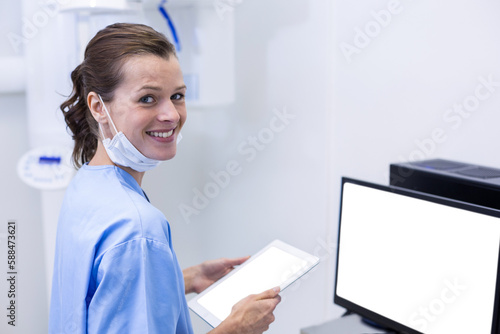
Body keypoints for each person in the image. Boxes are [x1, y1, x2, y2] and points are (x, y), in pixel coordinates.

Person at [49, 23, 281, 334]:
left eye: (177, 96)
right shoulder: (138, 227)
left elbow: (96, 294)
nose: (171, 114)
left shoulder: (86, 186)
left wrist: (181, 277)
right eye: (147, 98)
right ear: (97, 107)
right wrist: (237, 328)